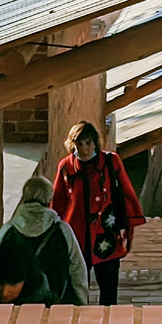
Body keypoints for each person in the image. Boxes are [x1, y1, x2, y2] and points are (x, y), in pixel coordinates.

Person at [50, 121, 144, 307]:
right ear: (73, 144)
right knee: (74, 291)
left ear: (95, 143)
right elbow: (58, 202)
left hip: (106, 235)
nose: (84, 149)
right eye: (80, 144)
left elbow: (126, 192)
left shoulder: (110, 162)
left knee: (109, 291)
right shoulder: (66, 166)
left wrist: (130, 224)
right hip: (76, 236)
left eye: (88, 143)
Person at [0, 175, 90, 305]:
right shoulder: (62, 230)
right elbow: (78, 269)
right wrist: (82, 302)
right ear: (49, 200)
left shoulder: (10, 229)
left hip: (19, 302)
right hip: (54, 301)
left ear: (24, 198)